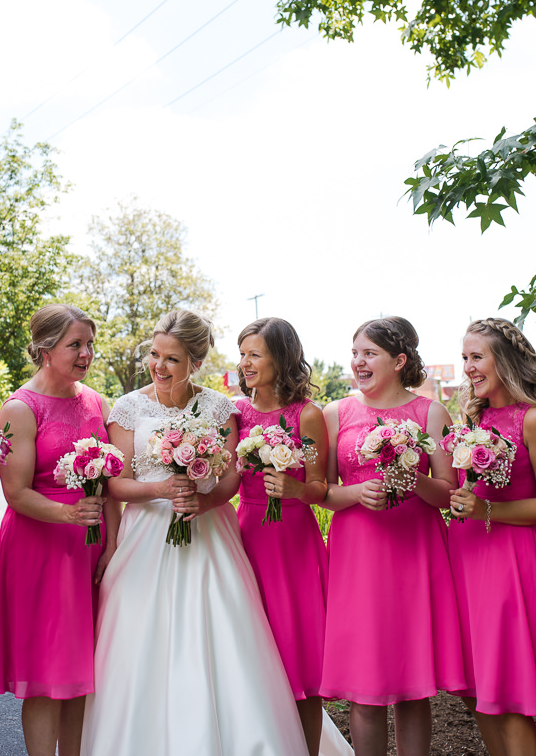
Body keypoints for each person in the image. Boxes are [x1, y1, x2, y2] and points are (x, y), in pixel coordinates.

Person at [80, 309, 307, 756]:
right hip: (144, 538)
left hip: (209, 535)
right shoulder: (127, 408)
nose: (159, 367)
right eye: (154, 355)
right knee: (138, 643)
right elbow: (115, 482)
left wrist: (203, 501)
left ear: (195, 363)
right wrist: (161, 487)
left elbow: (229, 478)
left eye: (172, 360)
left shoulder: (220, 408)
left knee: (224, 637)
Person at [320, 317, 466, 756]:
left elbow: (448, 494)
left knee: (412, 685)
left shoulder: (430, 413)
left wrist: (413, 479)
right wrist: (355, 492)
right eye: (355, 352)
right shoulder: (336, 413)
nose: (358, 362)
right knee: (365, 686)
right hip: (357, 553)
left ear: (399, 361)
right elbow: (321, 491)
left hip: (413, 552)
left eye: (370, 354)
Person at [0, 304, 118, 756]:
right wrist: (67, 516)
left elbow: (110, 482)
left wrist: (112, 542)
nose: (86, 353)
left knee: (83, 670)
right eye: (75, 345)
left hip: (90, 544)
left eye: (89, 344)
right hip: (39, 548)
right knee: (46, 674)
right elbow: (16, 493)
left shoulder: (97, 401)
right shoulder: (19, 408)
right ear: (45, 350)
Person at [448, 318, 536, 756]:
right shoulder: (473, 417)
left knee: (507, 692)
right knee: (474, 687)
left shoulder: (535, 419)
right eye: (465, 358)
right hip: (463, 552)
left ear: (503, 360)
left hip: (507, 557)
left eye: (476, 357)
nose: (468, 368)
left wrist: (488, 510)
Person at [235, 318, 330, 756]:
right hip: (248, 534)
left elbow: (319, 484)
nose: (245, 363)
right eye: (243, 354)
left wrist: (294, 489)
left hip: (292, 540)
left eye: (255, 354)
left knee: (298, 655)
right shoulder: (237, 414)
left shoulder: (306, 416)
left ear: (281, 358)